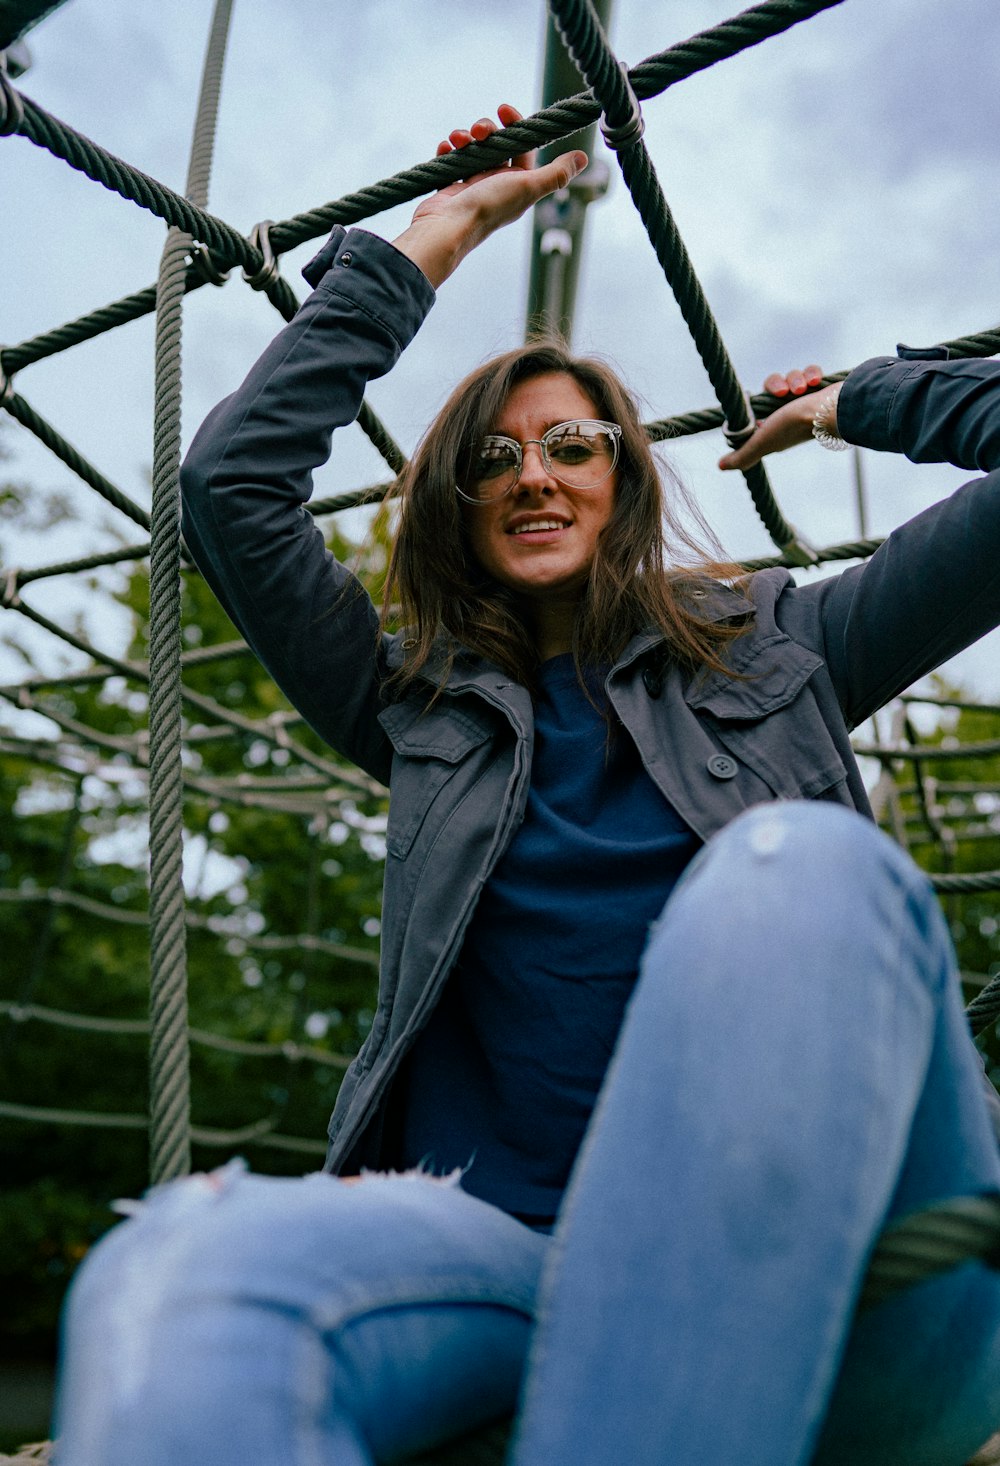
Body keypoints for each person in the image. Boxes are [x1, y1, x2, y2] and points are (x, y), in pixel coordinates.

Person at [53, 107, 1000, 1466]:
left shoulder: (788, 643)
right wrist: (434, 240)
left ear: (624, 477)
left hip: (857, 1272)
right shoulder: (412, 705)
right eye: (493, 455)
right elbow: (230, 482)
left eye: (573, 443)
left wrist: (869, 397)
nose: (534, 474)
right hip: (514, 1258)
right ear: (453, 500)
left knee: (802, 870)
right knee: (185, 1266)